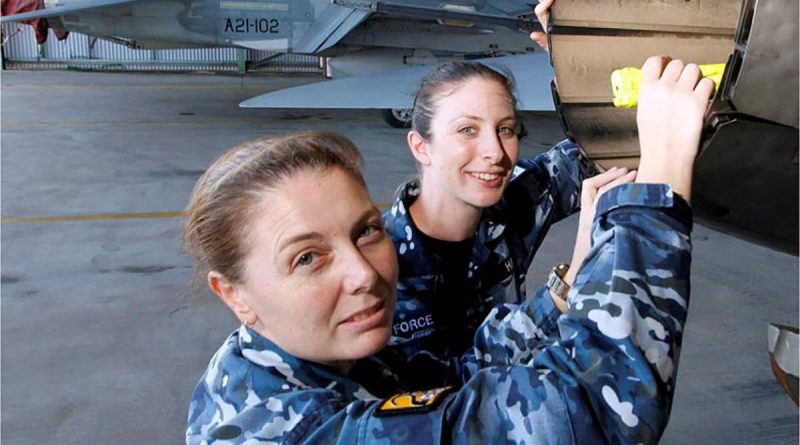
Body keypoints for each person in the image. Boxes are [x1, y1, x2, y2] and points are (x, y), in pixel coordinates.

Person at [184, 55, 715, 444]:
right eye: (307, 258)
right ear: (234, 295)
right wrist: (659, 192)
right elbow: (592, 413)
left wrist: (577, 52)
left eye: (365, 231)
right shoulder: (279, 428)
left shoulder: (336, 358)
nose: (363, 275)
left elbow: (455, 378)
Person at [382, 3, 637, 384]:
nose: (495, 153)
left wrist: (585, 64)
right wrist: (567, 285)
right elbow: (444, 397)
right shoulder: (374, 265)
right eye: (467, 130)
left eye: (506, 129)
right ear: (421, 147)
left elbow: (599, 147)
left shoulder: (514, 200)